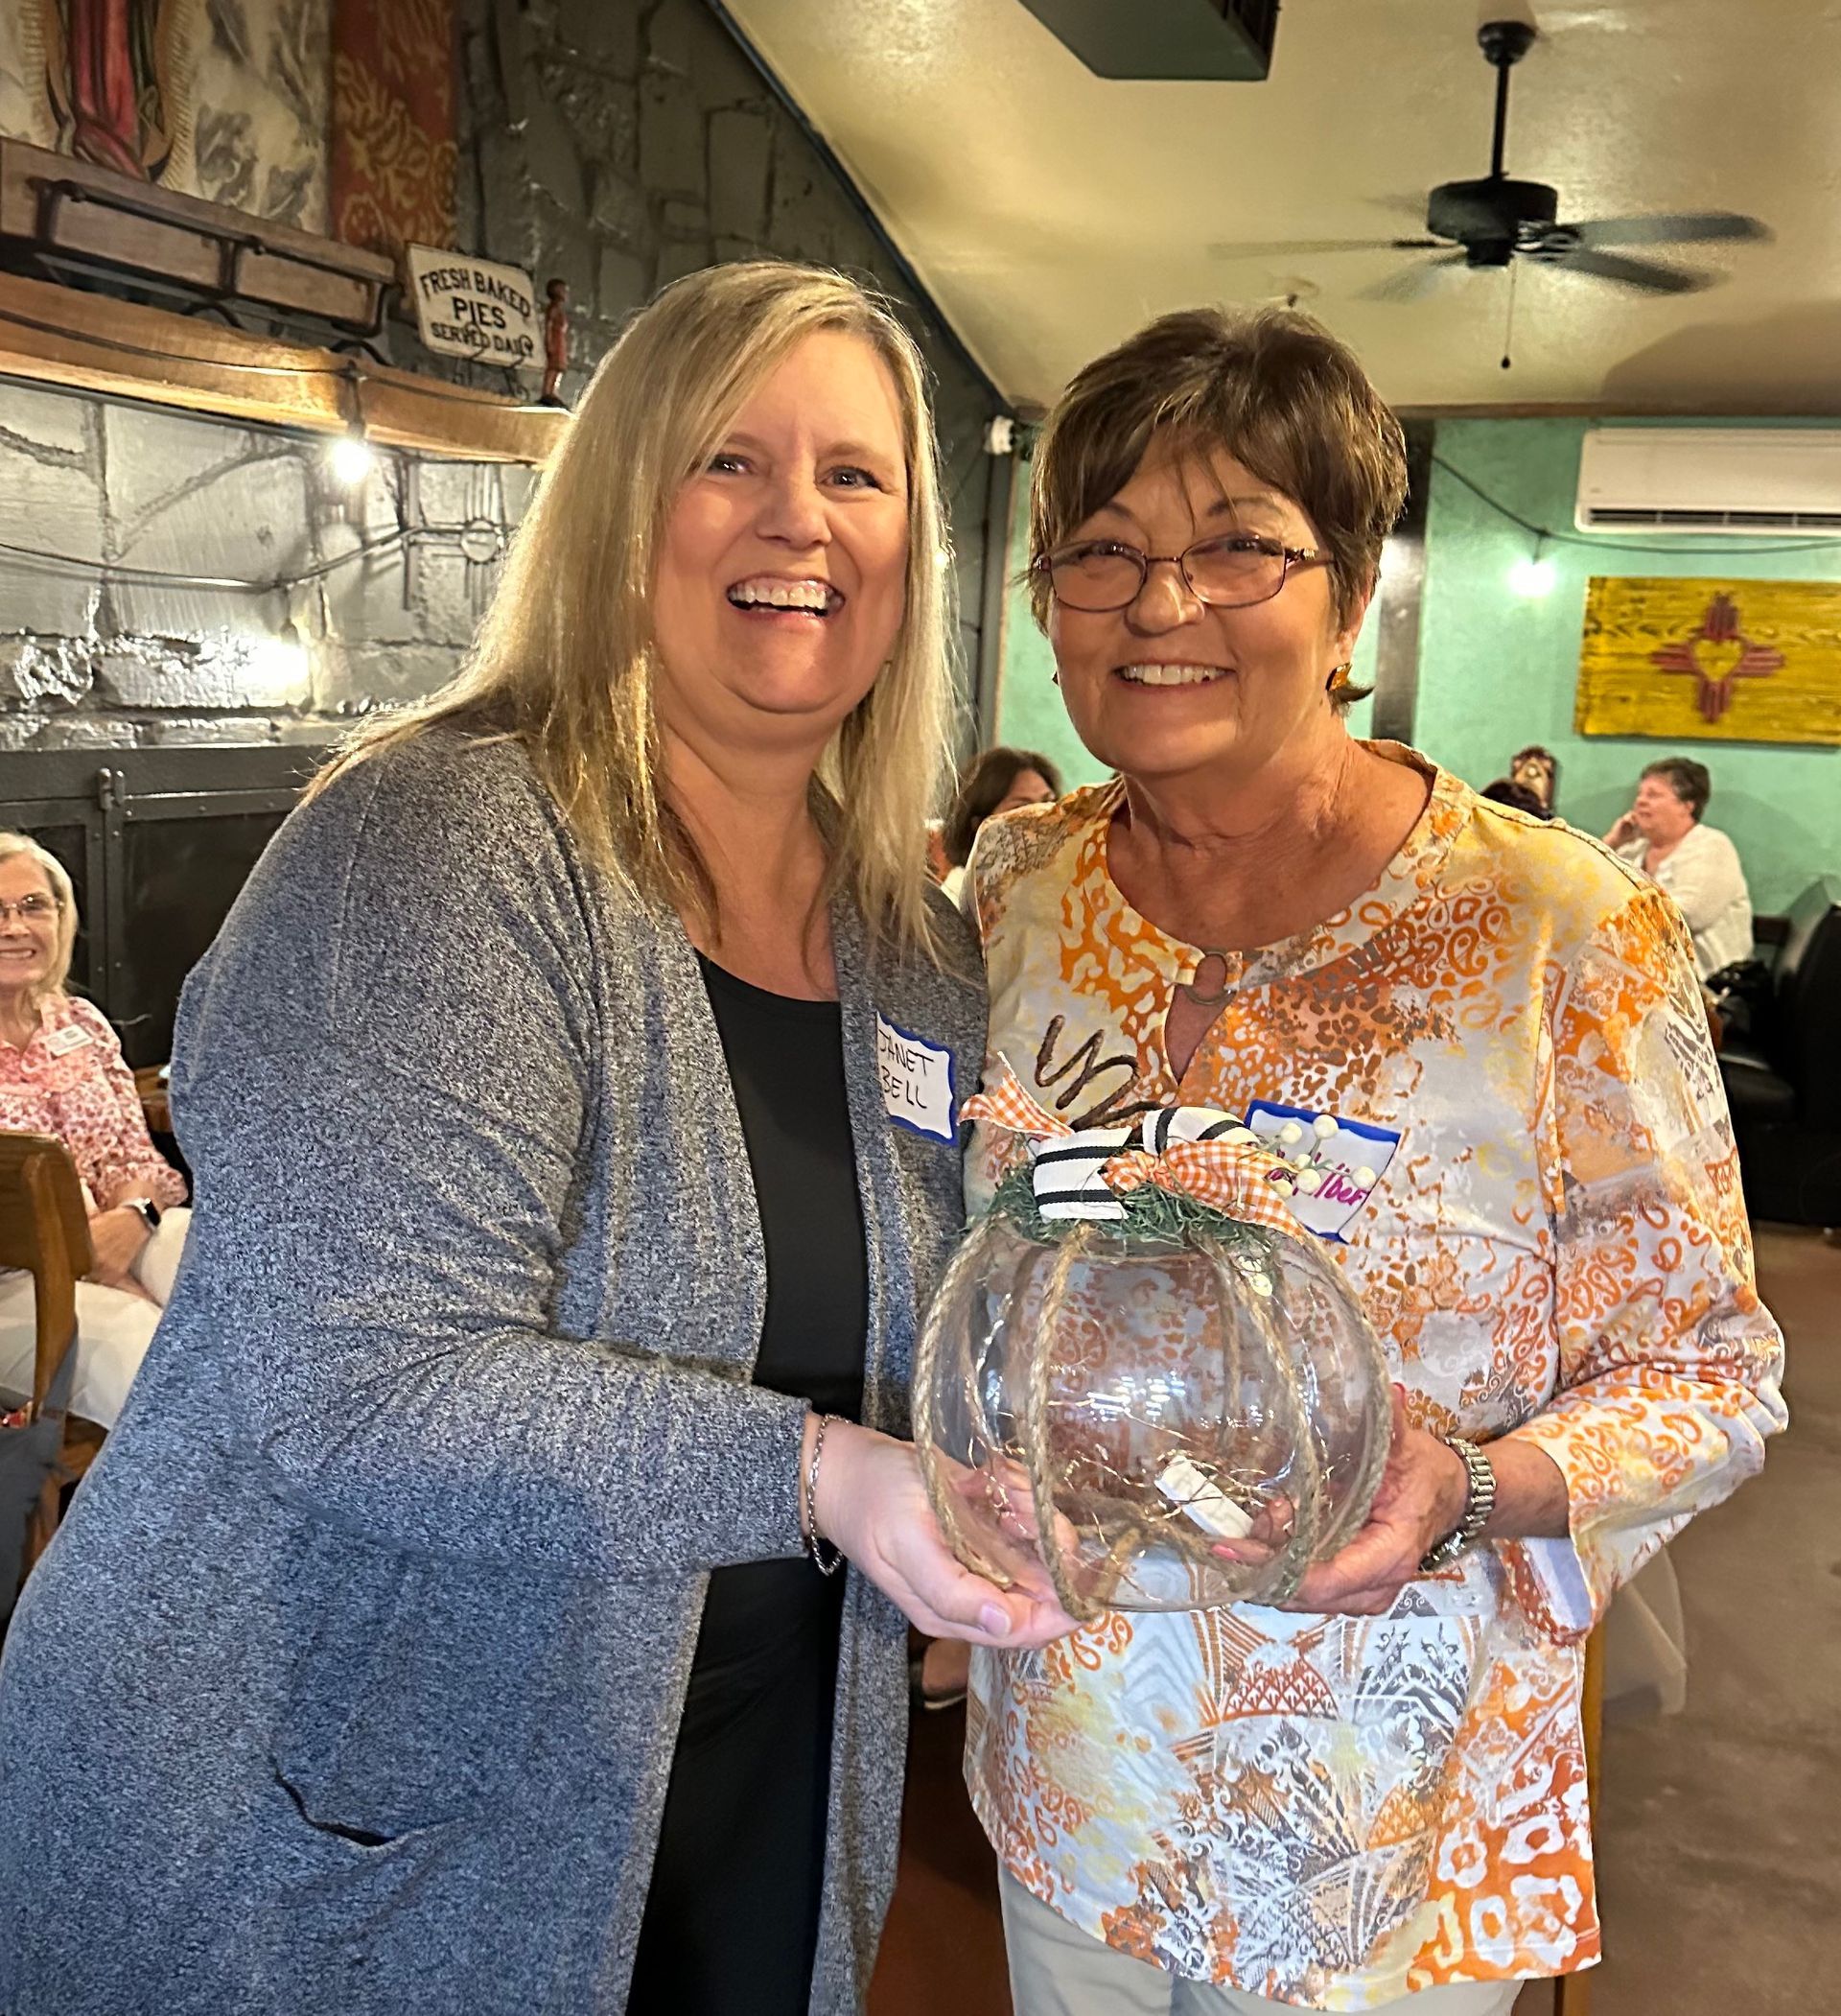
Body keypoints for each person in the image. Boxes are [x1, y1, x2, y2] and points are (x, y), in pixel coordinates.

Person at [0, 261, 1074, 2016]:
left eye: (855, 474)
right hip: (327, 1797)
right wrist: (825, 1475)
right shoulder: (442, 840)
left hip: (747, 1759)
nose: (799, 519)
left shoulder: (916, 947)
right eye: (728, 459)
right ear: (620, 512)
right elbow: (366, 1381)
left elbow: (904, 1327)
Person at [960, 305, 1784, 2014]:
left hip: (1385, 1822)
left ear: (1348, 601)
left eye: (1237, 545)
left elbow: (1713, 1372)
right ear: (1048, 605)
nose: (1161, 604)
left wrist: (1473, 1487)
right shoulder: (1017, 889)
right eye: (1102, 551)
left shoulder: (1555, 925)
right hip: (1073, 1768)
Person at [0, 832, 189, 1429]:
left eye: (33, 905)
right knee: (160, 1364)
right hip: (14, 1281)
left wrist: (135, 1217)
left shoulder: (81, 1021)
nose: (15, 927)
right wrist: (92, 1260)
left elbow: (140, 1157)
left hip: (125, 1227)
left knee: (248, 1278)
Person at [1605, 757, 1754, 979]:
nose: (1640, 802)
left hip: (1706, 984)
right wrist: (1612, 842)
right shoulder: (1632, 850)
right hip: (1643, 978)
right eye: (1640, 794)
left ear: (1687, 805)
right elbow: (1586, 887)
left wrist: (1610, 912)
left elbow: (1688, 915)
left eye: (1653, 795)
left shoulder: (1711, 846)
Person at [938, 746, 1063, 905]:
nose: (1044, 820)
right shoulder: (955, 905)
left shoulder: (1052, 892)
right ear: (978, 826)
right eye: (1023, 809)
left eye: (1049, 803)